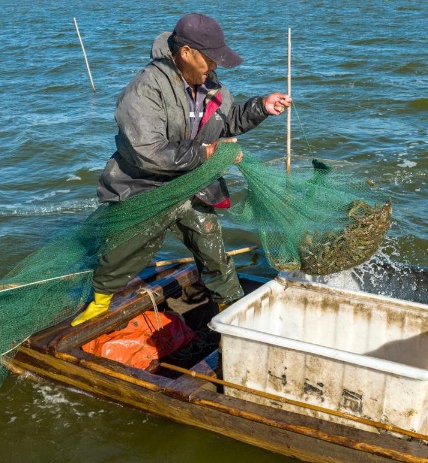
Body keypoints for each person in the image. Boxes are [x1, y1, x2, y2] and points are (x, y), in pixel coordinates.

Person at [71, 13, 291, 326]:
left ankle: (230, 310)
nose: (214, 66)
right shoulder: (145, 89)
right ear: (186, 53)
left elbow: (225, 123)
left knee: (213, 250)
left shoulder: (212, 87)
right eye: (210, 59)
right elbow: (148, 152)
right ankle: (100, 299)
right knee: (126, 251)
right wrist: (206, 152)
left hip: (193, 184)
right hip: (143, 186)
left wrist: (260, 107)